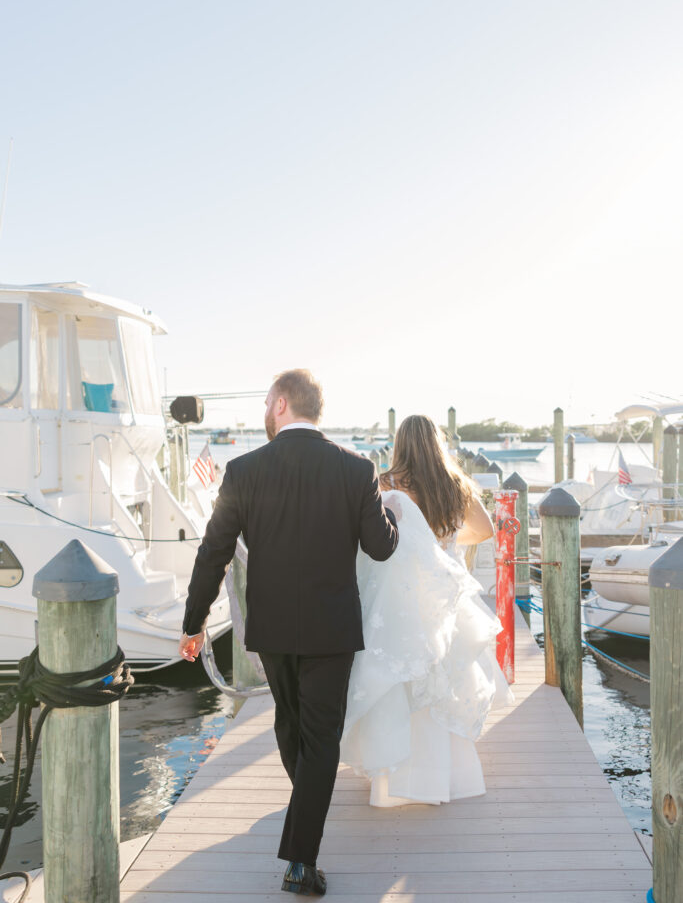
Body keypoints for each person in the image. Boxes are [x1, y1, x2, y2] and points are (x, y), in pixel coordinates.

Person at [178, 369, 399, 897]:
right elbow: (381, 548)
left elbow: (213, 553)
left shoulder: (243, 470)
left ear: (280, 404)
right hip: (332, 629)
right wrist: (391, 516)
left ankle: (302, 852)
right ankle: (305, 838)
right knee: (315, 739)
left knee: (292, 727)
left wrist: (194, 623)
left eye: (264, 402)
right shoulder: (356, 469)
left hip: (272, 629)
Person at [340, 414, 513, 807]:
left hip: (401, 598)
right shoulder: (454, 486)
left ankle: (395, 779)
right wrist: (445, 547)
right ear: (439, 443)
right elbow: (485, 530)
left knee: (401, 683)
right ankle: (444, 776)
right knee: (442, 685)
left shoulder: (386, 484)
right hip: (443, 599)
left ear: (399, 444)